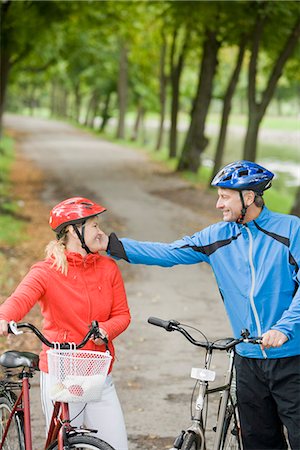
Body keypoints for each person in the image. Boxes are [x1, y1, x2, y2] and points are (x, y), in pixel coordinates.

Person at [102, 161, 300, 450]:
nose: (218, 204)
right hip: (247, 361)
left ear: (248, 197)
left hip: (292, 358)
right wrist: (111, 246)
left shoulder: (290, 230)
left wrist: (284, 328)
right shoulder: (217, 236)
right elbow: (168, 252)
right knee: (259, 442)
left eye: (225, 196)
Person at [0, 197, 131, 450]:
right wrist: (4, 317)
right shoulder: (46, 271)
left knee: (117, 446)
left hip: (99, 374)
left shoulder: (108, 268)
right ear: (73, 230)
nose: (100, 231)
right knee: (64, 444)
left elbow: (122, 315)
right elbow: (20, 298)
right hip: (62, 374)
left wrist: (106, 330)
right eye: (93, 225)